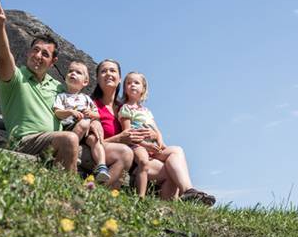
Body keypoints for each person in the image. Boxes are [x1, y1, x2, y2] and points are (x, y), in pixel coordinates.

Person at [92, 59, 216, 205]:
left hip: (139, 153)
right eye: (103, 71)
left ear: (119, 78)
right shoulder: (92, 105)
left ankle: (182, 198)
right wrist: (121, 138)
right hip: (121, 153)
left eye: (113, 71)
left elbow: (150, 128)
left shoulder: (123, 107)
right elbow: (94, 141)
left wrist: (157, 137)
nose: (108, 74)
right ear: (97, 77)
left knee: (173, 166)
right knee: (142, 158)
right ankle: (145, 200)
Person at [0, 0, 79, 172]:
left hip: (52, 143)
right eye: (35, 50)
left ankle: (58, 190)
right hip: (25, 142)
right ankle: (73, 194)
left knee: (114, 153)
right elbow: (4, 55)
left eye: (45, 54)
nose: (38, 56)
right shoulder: (16, 78)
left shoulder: (59, 87)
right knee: (70, 139)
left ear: (53, 62)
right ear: (29, 52)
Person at [53, 61, 110, 183]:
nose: (73, 73)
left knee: (94, 140)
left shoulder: (86, 98)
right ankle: (72, 152)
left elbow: (97, 115)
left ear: (85, 82)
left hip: (85, 131)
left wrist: (90, 113)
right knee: (84, 123)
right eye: (70, 71)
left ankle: (101, 166)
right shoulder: (62, 96)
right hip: (69, 128)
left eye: (78, 72)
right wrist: (69, 112)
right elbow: (57, 112)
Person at [119, 71, 171, 198]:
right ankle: (141, 196)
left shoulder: (146, 111)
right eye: (129, 83)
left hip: (153, 145)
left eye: (136, 83)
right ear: (125, 88)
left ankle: (175, 198)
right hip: (137, 145)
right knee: (143, 161)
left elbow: (156, 130)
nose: (132, 85)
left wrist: (161, 143)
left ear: (143, 89)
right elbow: (128, 133)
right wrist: (145, 145)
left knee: (172, 158)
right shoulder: (125, 108)